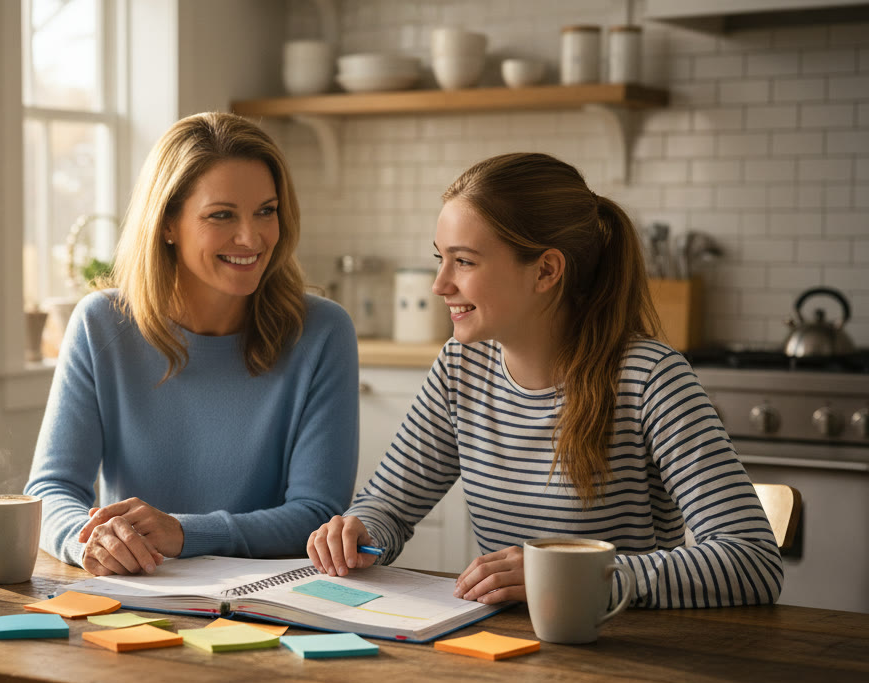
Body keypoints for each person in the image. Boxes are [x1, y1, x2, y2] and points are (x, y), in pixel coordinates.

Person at [307, 152, 783, 609]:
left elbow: (752, 561)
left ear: (546, 271)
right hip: (503, 649)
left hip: (624, 659)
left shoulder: (651, 380)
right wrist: (357, 532)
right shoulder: (461, 367)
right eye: (440, 258)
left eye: (465, 261)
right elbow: (387, 507)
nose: (440, 284)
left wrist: (572, 577)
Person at [28, 112, 359, 577]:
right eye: (221, 215)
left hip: (271, 602)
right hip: (134, 594)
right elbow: (51, 489)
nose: (252, 237)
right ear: (167, 224)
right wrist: (88, 541)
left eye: (266, 210)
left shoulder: (323, 332)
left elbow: (316, 513)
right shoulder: (100, 324)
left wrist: (184, 533)